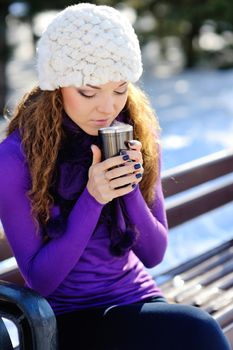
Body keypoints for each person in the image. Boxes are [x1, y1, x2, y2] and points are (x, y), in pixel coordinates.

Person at [0, 3, 231, 350]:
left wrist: (130, 189)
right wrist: (93, 199)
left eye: (120, 89)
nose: (108, 108)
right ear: (57, 86)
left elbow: (154, 254)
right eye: (89, 92)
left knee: (193, 332)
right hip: (68, 318)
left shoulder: (136, 131)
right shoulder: (15, 159)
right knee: (197, 330)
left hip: (138, 299)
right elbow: (42, 281)